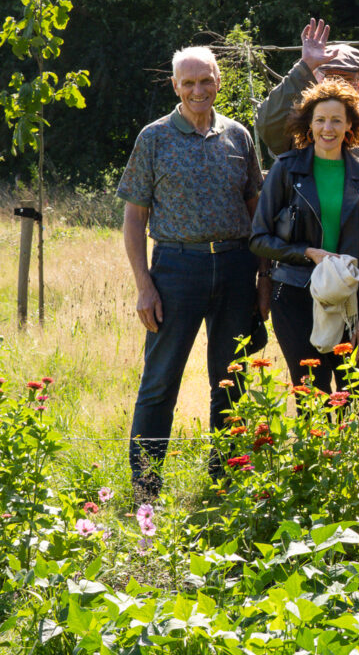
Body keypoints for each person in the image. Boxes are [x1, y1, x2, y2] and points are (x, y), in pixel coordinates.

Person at [117, 46, 265, 498]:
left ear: (219, 81)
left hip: (238, 266)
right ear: (175, 86)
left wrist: (264, 278)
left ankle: (226, 481)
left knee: (231, 378)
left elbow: (256, 208)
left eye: (205, 80)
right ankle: (146, 489)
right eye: (188, 83)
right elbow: (134, 219)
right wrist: (145, 287)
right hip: (176, 269)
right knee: (160, 381)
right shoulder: (154, 138)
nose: (197, 90)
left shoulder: (238, 136)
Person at [250, 77, 359, 393]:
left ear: (349, 124)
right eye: (321, 119)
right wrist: (307, 252)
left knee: (352, 396)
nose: (328, 127)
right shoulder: (285, 170)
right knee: (314, 396)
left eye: (336, 120)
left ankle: (348, 446)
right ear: (308, 125)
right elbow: (259, 239)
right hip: (295, 295)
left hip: (350, 302)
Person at [256, 18, 359, 171]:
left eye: (346, 79)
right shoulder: (301, 120)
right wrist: (304, 67)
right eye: (329, 77)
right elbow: (267, 126)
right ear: (315, 77)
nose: (336, 85)